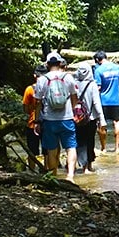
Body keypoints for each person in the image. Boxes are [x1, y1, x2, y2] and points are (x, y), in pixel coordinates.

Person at [31, 52, 79, 181]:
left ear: (47, 64)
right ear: (60, 63)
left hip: (49, 120)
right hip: (67, 118)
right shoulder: (68, 77)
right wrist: (73, 111)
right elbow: (75, 97)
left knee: (51, 149)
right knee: (70, 147)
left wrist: (36, 121)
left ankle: (54, 175)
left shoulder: (42, 80)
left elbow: (38, 103)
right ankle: (70, 176)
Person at [92, 50, 119, 152]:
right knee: (116, 122)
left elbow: (98, 87)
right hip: (115, 101)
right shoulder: (116, 67)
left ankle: (103, 148)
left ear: (97, 60)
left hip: (103, 101)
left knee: (101, 124)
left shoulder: (98, 70)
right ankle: (117, 148)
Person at [73, 65, 106, 173]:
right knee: (89, 141)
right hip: (90, 118)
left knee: (79, 141)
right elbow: (96, 103)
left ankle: (81, 165)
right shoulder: (92, 85)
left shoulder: (74, 83)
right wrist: (102, 119)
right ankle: (88, 166)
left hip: (76, 118)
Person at [21, 64, 48, 171]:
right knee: (47, 149)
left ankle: (32, 171)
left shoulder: (29, 89)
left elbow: (25, 108)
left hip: (32, 123)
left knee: (32, 150)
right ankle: (47, 170)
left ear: (34, 76)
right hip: (47, 122)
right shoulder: (49, 88)